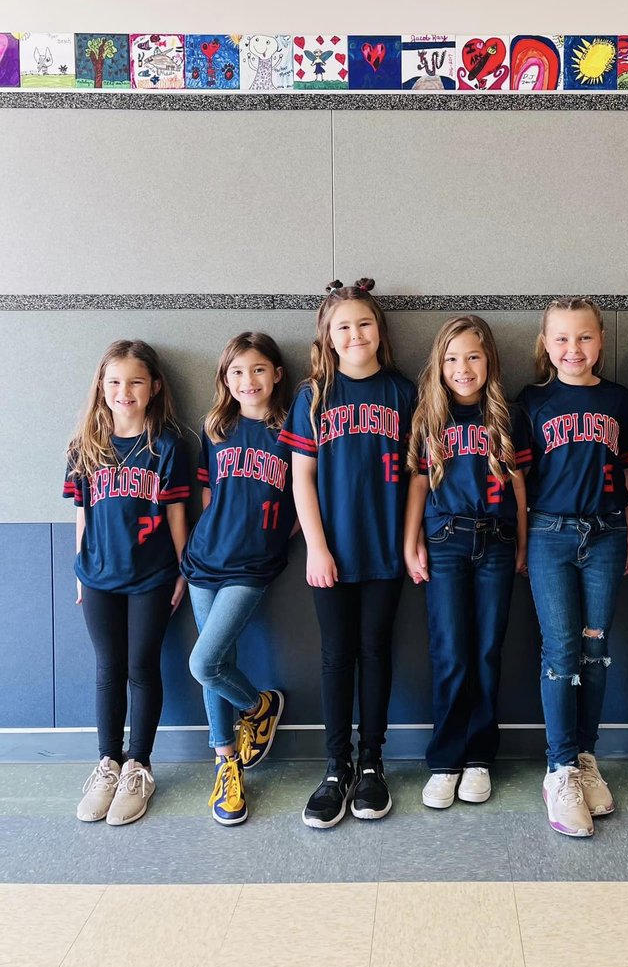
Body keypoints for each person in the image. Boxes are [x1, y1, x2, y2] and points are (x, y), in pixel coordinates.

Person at [280, 279, 415, 828]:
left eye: (364, 323)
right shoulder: (313, 396)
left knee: (376, 654)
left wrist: (410, 544)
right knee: (336, 658)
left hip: (384, 550)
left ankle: (372, 766)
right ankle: (334, 767)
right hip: (330, 553)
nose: (355, 333)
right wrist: (315, 546)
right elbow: (301, 477)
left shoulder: (403, 392)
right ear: (328, 337)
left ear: (379, 330)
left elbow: (420, 478)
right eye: (343, 326)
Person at [519, 298, 628, 837]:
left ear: (602, 342)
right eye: (562, 339)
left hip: (608, 532)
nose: (574, 349)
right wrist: (524, 543)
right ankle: (559, 766)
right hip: (549, 533)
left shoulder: (618, 399)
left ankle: (586, 757)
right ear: (545, 344)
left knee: (596, 648)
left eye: (585, 338)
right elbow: (520, 482)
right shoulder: (532, 401)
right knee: (560, 649)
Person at [404, 316, 530, 809]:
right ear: (439, 364)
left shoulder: (507, 416)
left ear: (489, 362)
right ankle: (445, 760)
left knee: (486, 652)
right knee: (451, 652)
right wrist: (410, 539)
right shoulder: (428, 418)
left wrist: (521, 543)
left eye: (473, 356)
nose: (463, 367)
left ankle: (479, 758)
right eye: (452, 358)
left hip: (497, 541)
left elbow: (519, 486)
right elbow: (417, 482)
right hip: (446, 540)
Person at [65, 340, 189, 825]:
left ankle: (140, 765)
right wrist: (79, 569)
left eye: (135, 381)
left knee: (142, 667)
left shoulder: (167, 447)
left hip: (152, 577)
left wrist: (182, 570)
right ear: (102, 386)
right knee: (107, 669)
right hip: (97, 577)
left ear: (154, 386)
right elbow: (81, 513)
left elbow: (178, 513)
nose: (124, 390)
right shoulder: (85, 446)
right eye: (114, 381)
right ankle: (107, 764)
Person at [182, 332, 296, 826]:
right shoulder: (217, 428)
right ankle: (227, 763)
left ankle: (260, 704)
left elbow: (305, 500)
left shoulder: (293, 428)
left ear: (276, 374)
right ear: (224, 379)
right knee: (217, 659)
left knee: (204, 662)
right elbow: (209, 499)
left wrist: (278, 540)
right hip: (205, 559)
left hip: (252, 566)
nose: (247, 381)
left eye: (257, 370)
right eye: (236, 372)